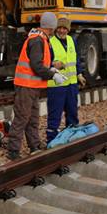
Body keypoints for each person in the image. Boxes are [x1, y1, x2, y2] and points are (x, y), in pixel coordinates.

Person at [8, 11, 65, 159]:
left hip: (32, 86)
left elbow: (39, 64)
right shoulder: (38, 40)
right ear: (51, 27)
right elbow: (36, 66)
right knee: (22, 117)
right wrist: (52, 74)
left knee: (32, 117)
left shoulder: (40, 39)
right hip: (26, 85)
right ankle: (13, 151)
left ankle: (34, 145)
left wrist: (51, 68)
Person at [46, 15, 79, 143]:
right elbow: (44, 62)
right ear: (55, 29)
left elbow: (75, 60)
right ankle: (51, 140)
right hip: (56, 85)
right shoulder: (50, 42)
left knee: (72, 112)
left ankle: (72, 137)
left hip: (71, 85)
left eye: (64, 28)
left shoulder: (72, 41)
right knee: (55, 115)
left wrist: (80, 74)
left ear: (68, 29)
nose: (62, 31)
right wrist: (53, 64)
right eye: (59, 28)